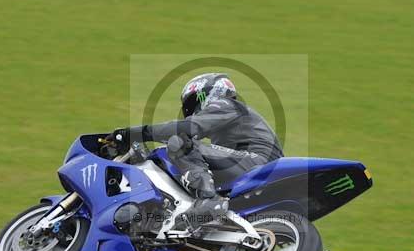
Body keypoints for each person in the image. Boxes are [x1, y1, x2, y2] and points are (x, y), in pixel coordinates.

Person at [108, 73, 283, 222]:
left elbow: (187, 128)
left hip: (258, 162)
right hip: (252, 165)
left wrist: (136, 133)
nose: (193, 112)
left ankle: (209, 200)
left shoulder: (226, 105)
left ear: (207, 94)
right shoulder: (230, 123)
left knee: (180, 142)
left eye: (193, 104)